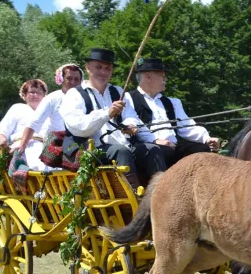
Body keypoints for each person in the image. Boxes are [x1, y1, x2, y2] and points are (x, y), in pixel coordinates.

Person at [59, 48, 154, 187]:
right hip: (89, 149)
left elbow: (130, 116)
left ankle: (160, 194)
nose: (103, 72)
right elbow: (78, 127)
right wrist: (106, 114)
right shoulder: (74, 94)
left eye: (107, 68)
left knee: (152, 149)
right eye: (98, 67)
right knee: (121, 151)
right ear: (87, 68)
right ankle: (133, 197)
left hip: (122, 145)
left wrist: (131, 126)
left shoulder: (118, 91)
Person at [126, 58, 220, 182]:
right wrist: (155, 140)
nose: (166, 79)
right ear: (148, 76)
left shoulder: (172, 102)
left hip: (172, 148)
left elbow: (186, 125)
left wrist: (206, 138)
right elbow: (131, 122)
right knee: (159, 151)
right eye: (162, 75)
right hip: (147, 150)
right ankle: (162, 193)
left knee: (201, 150)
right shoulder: (128, 98)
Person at [14, 63, 83, 169]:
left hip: (81, 143)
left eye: (76, 79)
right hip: (58, 144)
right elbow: (34, 122)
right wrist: (22, 145)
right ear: (61, 79)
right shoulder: (53, 98)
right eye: (69, 78)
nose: (73, 82)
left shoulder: (86, 98)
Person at [0, 79, 50, 169]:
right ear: (24, 95)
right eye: (32, 92)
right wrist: (2, 140)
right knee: (36, 166)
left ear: (44, 95)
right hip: (20, 148)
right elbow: (1, 131)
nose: (35, 95)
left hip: (46, 149)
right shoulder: (17, 108)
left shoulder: (50, 113)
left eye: (39, 92)